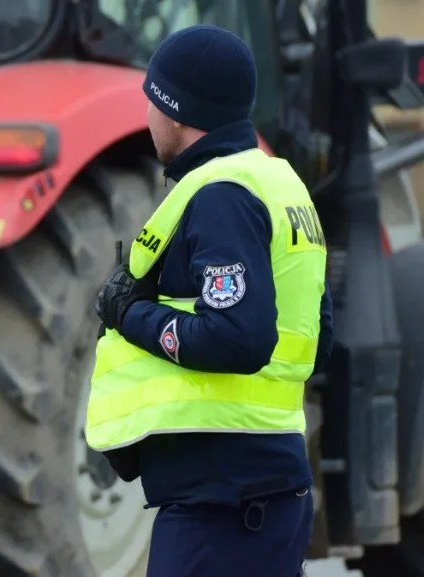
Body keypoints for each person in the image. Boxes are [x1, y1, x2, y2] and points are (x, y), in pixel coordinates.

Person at [85, 24, 333, 577]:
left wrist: (130, 313)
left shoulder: (221, 196)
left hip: (224, 507)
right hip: (263, 494)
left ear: (176, 111)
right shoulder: (281, 187)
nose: (147, 115)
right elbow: (318, 340)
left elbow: (236, 337)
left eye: (152, 99)